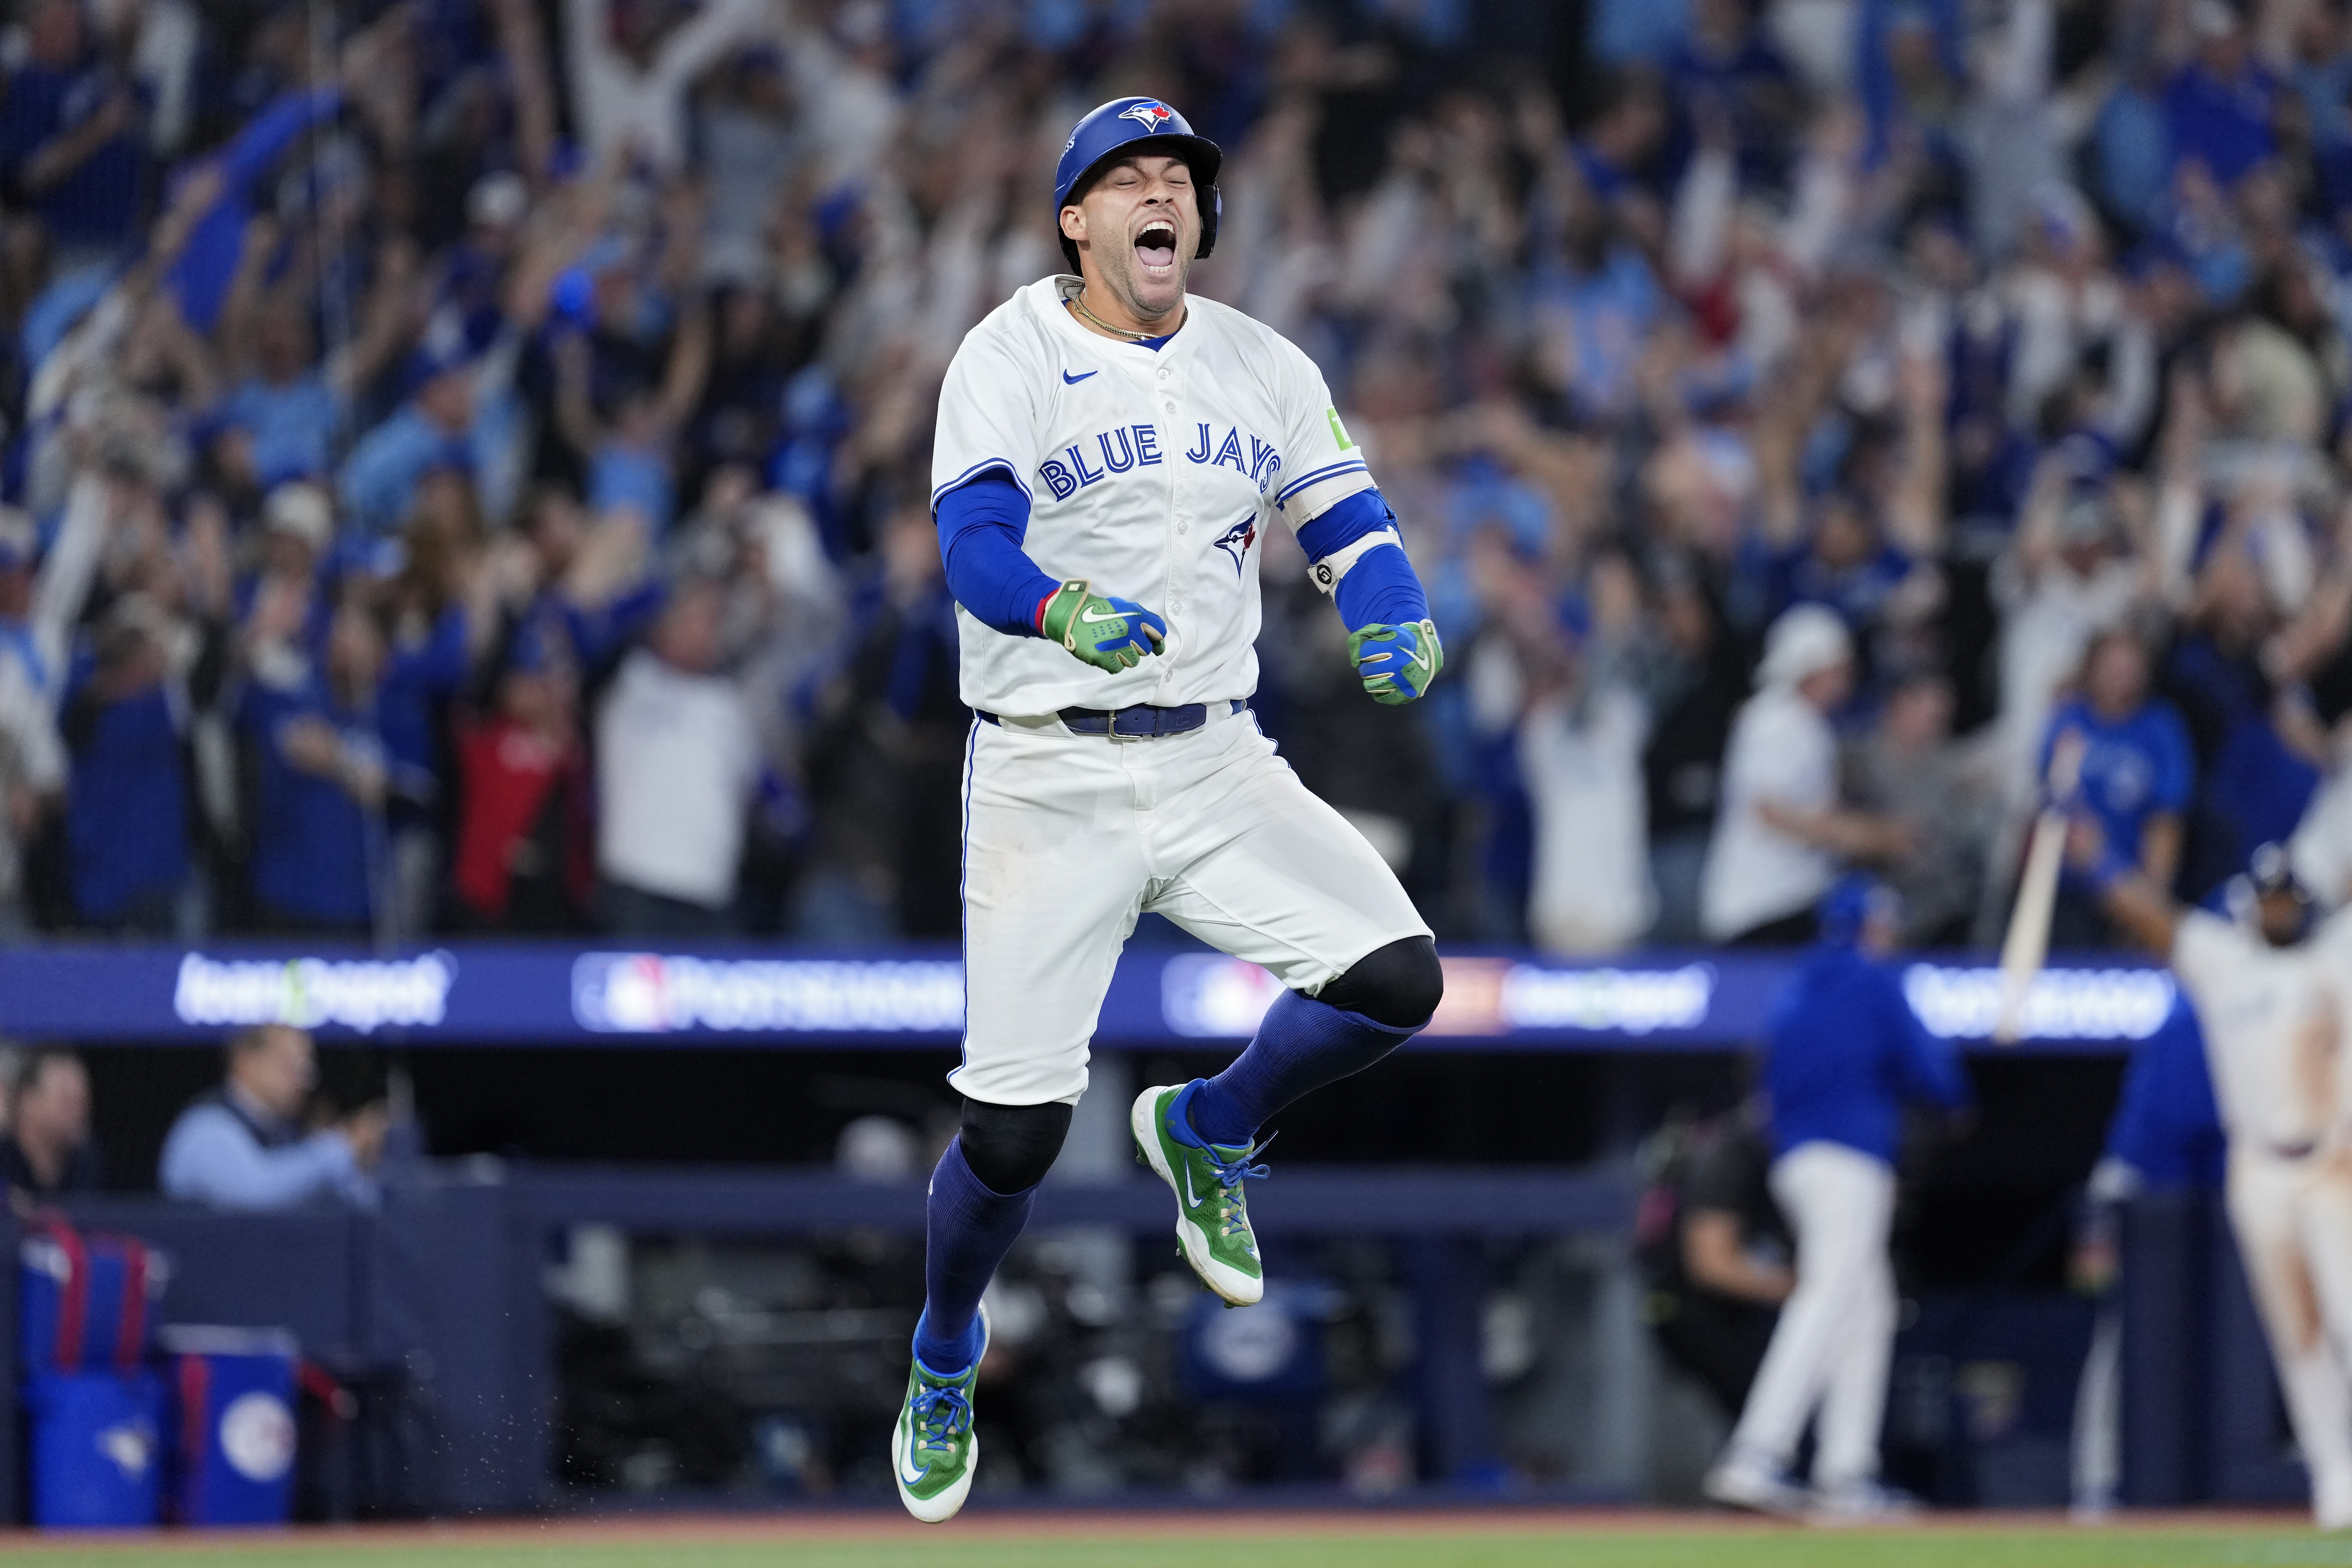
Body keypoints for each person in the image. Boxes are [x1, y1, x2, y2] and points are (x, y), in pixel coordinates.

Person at [895, 96, 1446, 1523]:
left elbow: (1350, 523)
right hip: (1045, 767)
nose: (1159, 197)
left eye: (1178, 181)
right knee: (1012, 1137)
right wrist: (1055, 603)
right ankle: (948, 1341)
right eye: (1126, 179)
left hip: (1211, 752)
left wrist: (1390, 608)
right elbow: (968, 542)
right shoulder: (1006, 353)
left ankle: (1208, 1128)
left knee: (1395, 975)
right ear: (1074, 218)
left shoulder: (1258, 360)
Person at [2070, 832, 2352, 1527]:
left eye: (2289, 898)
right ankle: (2335, 1477)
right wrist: (2093, 853)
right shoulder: (2226, 961)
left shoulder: (2337, 955)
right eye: (2270, 900)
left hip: (2333, 1163)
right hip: (2256, 1167)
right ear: (2253, 906)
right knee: (2299, 1333)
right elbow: (2152, 915)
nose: (2279, 910)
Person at [1704, 876, 1972, 1520]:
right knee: (1828, 1297)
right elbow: (1935, 1075)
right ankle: (1756, 1453)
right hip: (1850, 1158)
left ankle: (1846, 1472)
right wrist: (1959, 1102)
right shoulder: (1873, 979)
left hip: (1795, 1162)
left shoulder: (1796, 986)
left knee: (1868, 1306)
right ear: (1870, 926)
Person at [2066, 999, 2224, 1518]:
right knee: (2122, 1339)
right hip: (2134, 1189)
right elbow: (2186, 1113)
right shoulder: (2195, 1012)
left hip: (2183, 1193)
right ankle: (2097, 1481)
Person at [1700, 606, 1910, 944]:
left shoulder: (1805, 723)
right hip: (1764, 905)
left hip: (1793, 899)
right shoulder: (1777, 720)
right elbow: (1771, 813)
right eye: (1839, 668)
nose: (1848, 678)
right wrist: (1867, 836)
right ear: (1814, 669)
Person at [1641, 1103, 1793, 1421]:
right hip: (1687, 1309)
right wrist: (1813, 1292)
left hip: (1731, 1311)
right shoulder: (1736, 1147)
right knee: (1771, 1411)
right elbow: (1712, 1265)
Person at [159, 1025, 386, 1212]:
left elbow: (359, 1205)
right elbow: (253, 1195)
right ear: (245, 1060)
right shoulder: (205, 1127)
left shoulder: (287, 1130)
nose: (303, 1079)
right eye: (289, 1065)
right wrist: (341, 1147)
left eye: (306, 1068)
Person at [0, 1048, 103, 1199]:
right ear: (27, 1102)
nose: (79, 1111)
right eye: (66, 1101)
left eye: (82, 1100)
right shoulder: (4, 1159)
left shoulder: (88, 1162)